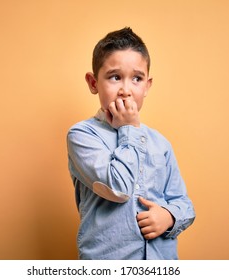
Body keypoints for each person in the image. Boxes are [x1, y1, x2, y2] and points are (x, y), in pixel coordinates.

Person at [67, 27, 195, 260]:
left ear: (147, 86)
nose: (126, 90)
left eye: (136, 78)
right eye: (115, 77)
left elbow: (184, 204)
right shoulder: (82, 135)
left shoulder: (161, 144)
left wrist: (169, 217)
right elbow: (119, 189)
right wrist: (129, 128)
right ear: (93, 82)